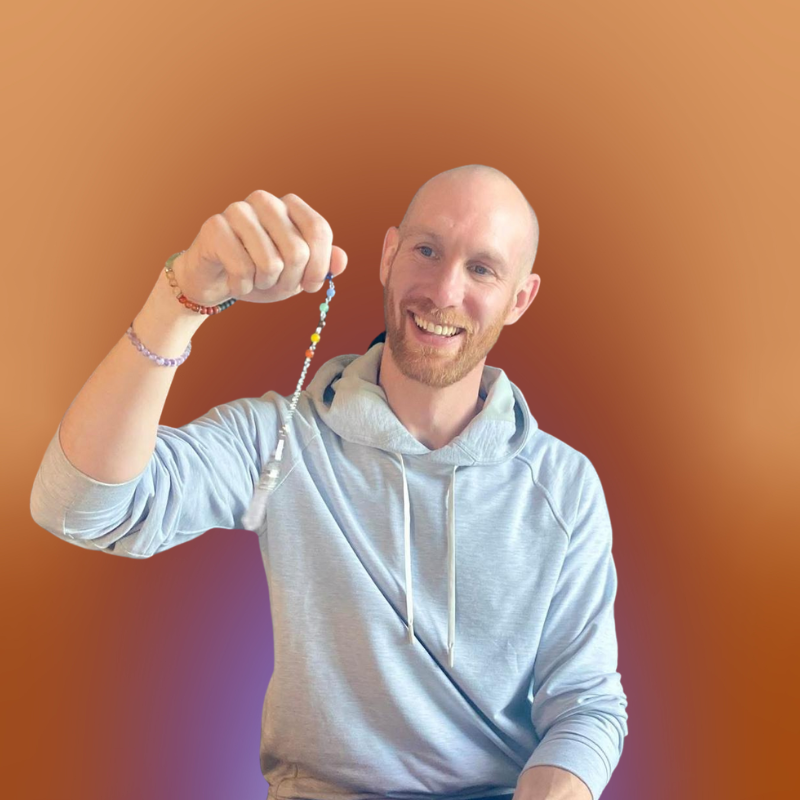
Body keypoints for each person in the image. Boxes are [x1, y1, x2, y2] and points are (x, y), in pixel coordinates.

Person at [30, 165, 628, 800]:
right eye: (427, 251)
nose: (445, 290)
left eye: (482, 269)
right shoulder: (280, 439)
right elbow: (77, 507)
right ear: (389, 255)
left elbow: (587, 705)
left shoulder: (564, 488)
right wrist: (180, 298)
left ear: (520, 298)